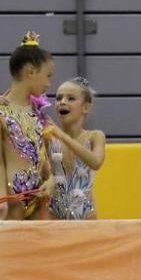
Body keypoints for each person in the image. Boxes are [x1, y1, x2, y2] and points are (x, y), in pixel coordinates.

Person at [0, 32, 56, 220]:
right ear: (31, 72)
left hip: (40, 198)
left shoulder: (38, 112)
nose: (49, 83)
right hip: (13, 199)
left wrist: (51, 179)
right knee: (10, 249)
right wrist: (0, 199)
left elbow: (47, 155)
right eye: (48, 76)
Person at [46, 77, 106, 219]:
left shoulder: (95, 137)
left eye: (70, 98)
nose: (63, 102)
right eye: (59, 98)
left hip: (86, 214)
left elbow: (96, 162)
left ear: (86, 107)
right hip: (55, 214)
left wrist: (62, 136)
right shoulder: (49, 138)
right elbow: (46, 174)